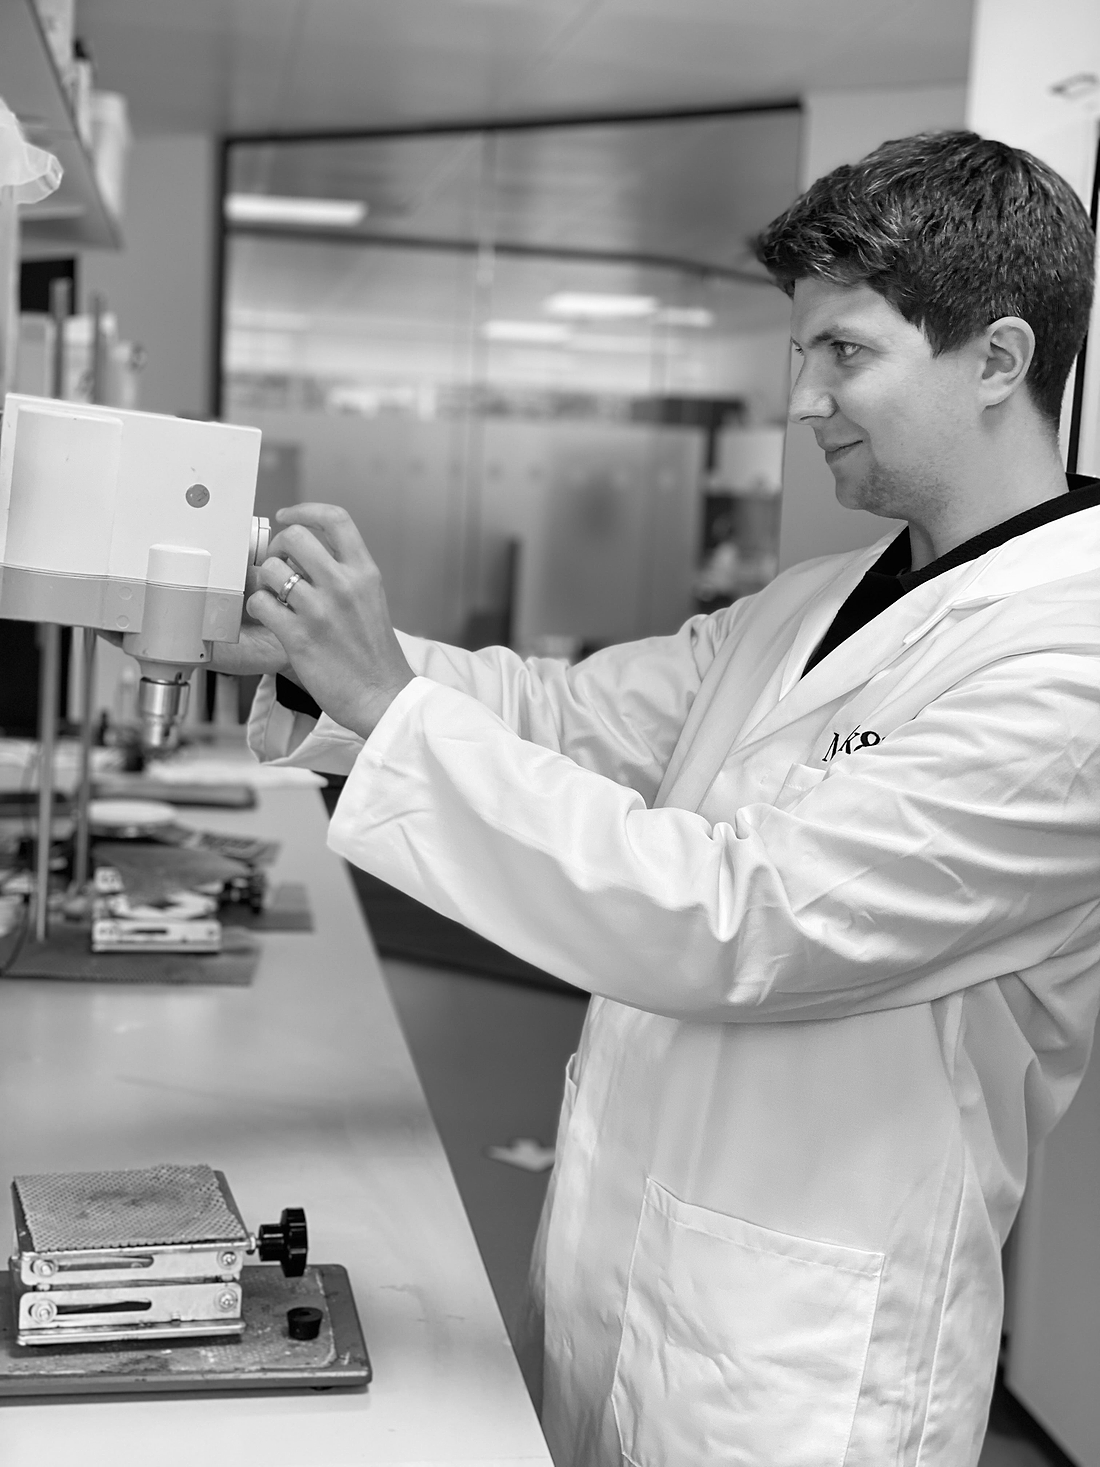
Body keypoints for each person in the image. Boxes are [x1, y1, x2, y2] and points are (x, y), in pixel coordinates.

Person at [222, 132, 1100, 1466]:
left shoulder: (1069, 664)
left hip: (807, 1359)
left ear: (998, 358)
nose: (803, 399)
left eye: (845, 351)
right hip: (623, 1261)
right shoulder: (816, 599)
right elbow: (563, 717)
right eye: (800, 352)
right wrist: (307, 651)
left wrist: (385, 704)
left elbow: (742, 919)